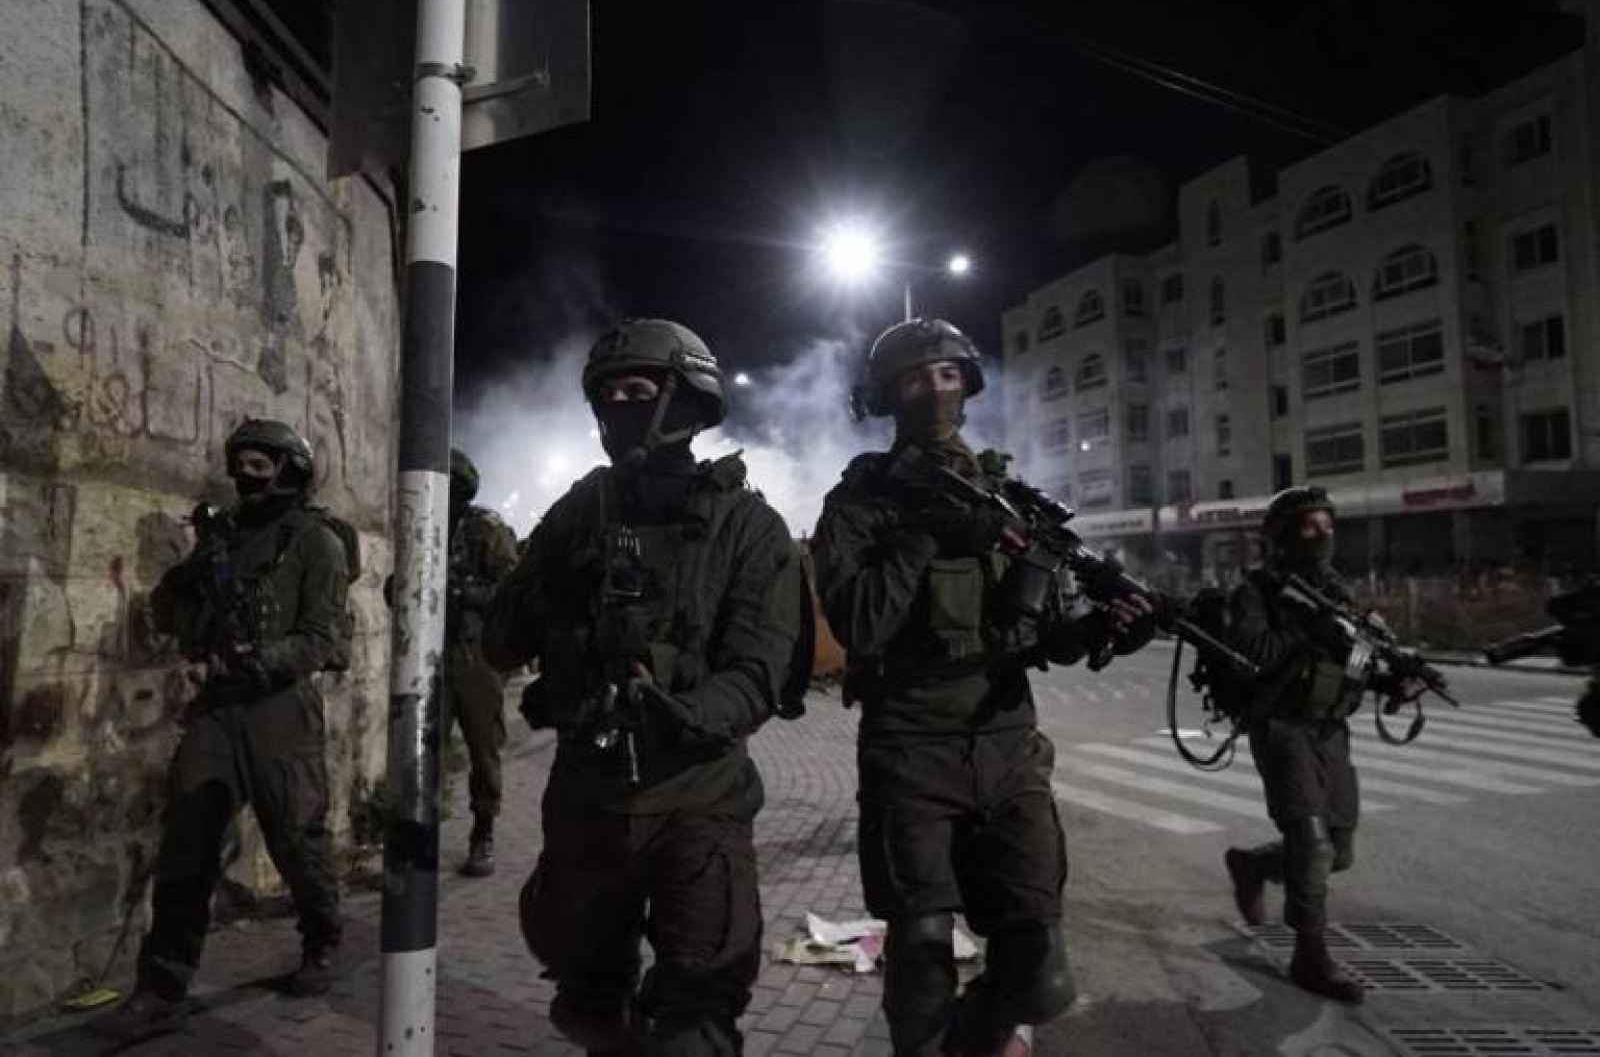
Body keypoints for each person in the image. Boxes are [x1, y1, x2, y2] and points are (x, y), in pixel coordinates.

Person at [810, 317, 1156, 1057]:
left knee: (1041, 976)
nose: (935, 390)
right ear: (888, 395)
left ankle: (978, 1036)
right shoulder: (861, 502)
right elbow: (860, 624)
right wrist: (925, 534)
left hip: (1006, 743)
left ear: (967, 387)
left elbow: (1045, 631)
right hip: (909, 745)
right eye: (915, 378)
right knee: (920, 956)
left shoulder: (1007, 499)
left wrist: (1103, 630)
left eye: (947, 375)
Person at [483, 318, 806, 1056]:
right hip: (588, 796)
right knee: (586, 1010)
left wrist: (673, 710)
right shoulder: (580, 509)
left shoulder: (747, 525)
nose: (620, 408)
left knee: (695, 1026)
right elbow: (501, 641)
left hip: (698, 798)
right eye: (609, 396)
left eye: (638, 391)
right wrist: (558, 579)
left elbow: (758, 673)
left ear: (686, 398)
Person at [95, 419, 350, 1041]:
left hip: (280, 708)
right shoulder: (221, 539)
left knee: (296, 838)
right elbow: (171, 615)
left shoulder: (316, 542)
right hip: (217, 708)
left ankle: (321, 937)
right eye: (239, 463)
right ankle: (162, 988)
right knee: (187, 844)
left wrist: (260, 660)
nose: (244, 475)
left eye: (260, 464)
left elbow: (320, 637)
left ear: (289, 470)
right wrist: (185, 585)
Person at [1222, 485, 1367, 1003]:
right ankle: (1310, 954)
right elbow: (1253, 652)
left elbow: (1356, 658)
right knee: (1312, 844)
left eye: (1328, 525)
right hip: (1282, 727)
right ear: (1284, 537)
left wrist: (1387, 676)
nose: (1322, 535)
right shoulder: (1256, 592)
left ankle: (1254, 865)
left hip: (1331, 729)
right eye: (1310, 526)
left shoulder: (1337, 589)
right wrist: (1310, 630)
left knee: (1339, 850)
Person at [442, 447, 520, 875]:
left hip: (475, 655)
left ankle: (483, 830)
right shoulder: (422, 524)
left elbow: (512, 592)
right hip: (430, 656)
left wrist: (463, 595)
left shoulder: (486, 530)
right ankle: (419, 831)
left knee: (483, 749)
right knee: (422, 748)